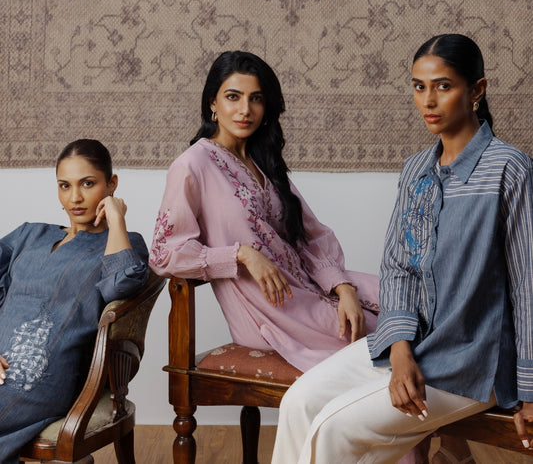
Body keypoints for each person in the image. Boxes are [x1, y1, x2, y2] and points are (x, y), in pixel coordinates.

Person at [271, 33, 533, 464]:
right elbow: (398, 268)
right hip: (412, 346)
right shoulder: (416, 171)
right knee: (298, 402)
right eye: (418, 86)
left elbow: (527, 287)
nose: (428, 100)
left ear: (477, 90)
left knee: (335, 428)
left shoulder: (510, 169)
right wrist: (399, 350)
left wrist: (530, 390)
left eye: (443, 86)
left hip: (473, 361)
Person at [149, 50, 380, 373]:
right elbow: (164, 254)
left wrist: (342, 287)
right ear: (213, 103)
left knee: (403, 298)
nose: (245, 110)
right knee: (382, 335)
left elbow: (310, 235)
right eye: (233, 97)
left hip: (310, 286)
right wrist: (241, 255)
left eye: (255, 98)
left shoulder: (263, 162)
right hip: (272, 310)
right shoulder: (191, 166)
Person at [0, 139, 149, 464]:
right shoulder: (29, 235)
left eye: (88, 183)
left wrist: (116, 220)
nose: (75, 198)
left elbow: (121, 285)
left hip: (40, 377)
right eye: (65, 185)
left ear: (111, 184)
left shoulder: (124, 244)